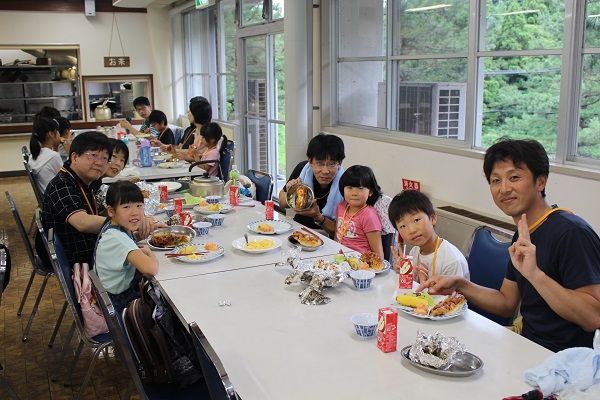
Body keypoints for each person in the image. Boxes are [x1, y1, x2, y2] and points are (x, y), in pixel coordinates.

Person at [417, 138, 600, 352]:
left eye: (514, 177)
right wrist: (459, 284)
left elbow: (593, 317)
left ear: (541, 182)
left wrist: (535, 274)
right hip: (526, 343)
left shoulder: (571, 232)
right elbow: (506, 303)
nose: (504, 188)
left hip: (564, 360)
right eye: (495, 181)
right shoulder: (523, 234)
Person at [42, 131, 159, 266]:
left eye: (104, 158)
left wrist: (136, 226)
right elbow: (83, 222)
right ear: (74, 157)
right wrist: (130, 221)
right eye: (93, 156)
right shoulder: (62, 185)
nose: (100, 163)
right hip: (84, 263)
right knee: (153, 263)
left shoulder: (85, 182)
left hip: (97, 249)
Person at [94, 181, 158, 313]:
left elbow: (126, 243)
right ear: (111, 211)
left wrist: (143, 235)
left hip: (110, 295)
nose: (135, 213)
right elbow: (151, 269)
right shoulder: (118, 238)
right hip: (120, 303)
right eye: (126, 207)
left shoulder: (112, 228)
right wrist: (150, 254)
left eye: (139, 206)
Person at [388, 190, 469, 281]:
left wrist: (426, 289)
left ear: (433, 218)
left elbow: (455, 295)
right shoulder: (415, 252)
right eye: (403, 226)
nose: (411, 230)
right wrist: (403, 272)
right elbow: (412, 290)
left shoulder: (451, 261)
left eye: (416, 220)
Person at [278, 133, 346, 236]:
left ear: (340, 163)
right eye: (319, 163)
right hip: (299, 228)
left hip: (328, 235)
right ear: (310, 161)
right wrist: (290, 193)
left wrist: (318, 217)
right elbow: (282, 203)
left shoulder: (346, 183)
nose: (325, 171)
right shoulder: (302, 170)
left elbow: (342, 232)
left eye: (331, 164)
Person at [335, 165, 384, 259]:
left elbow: (379, 255)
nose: (354, 193)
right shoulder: (341, 207)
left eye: (360, 188)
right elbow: (337, 235)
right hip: (339, 257)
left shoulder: (369, 215)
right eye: (349, 188)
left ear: (370, 192)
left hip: (359, 262)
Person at [28, 117, 63, 194]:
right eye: (57, 131)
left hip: (47, 197)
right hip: (56, 198)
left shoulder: (34, 154)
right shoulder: (53, 156)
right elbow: (66, 178)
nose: (59, 134)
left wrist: (56, 148)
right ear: (51, 134)